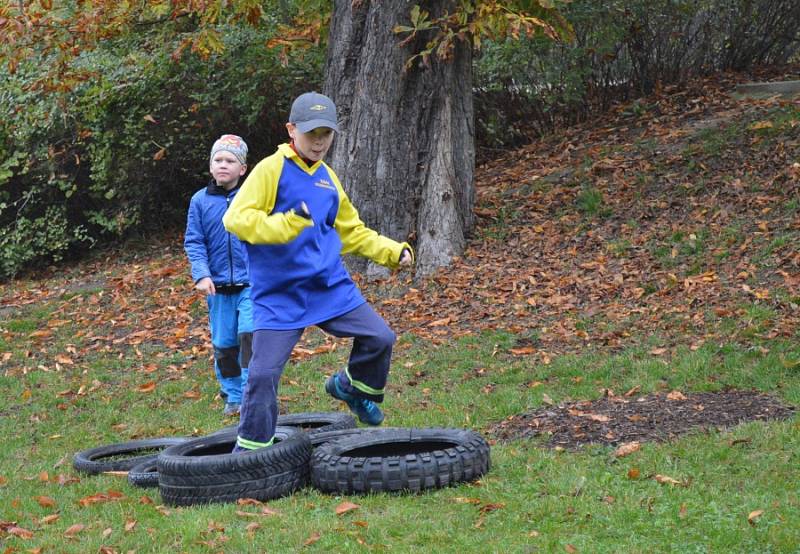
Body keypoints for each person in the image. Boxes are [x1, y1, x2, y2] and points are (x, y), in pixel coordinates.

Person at [223, 92, 413, 452]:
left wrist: (392, 251)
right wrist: (285, 226)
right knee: (262, 376)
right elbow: (235, 219)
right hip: (279, 295)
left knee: (380, 337)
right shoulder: (271, 169)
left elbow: (351, 232)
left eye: (326, 133)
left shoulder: (328, 178)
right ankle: (249, 453)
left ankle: (350, 388)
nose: (320, 141)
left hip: (329, 287)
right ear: (291, 130)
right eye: (312, 133)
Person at [184, 134, 254, 417]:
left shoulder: (252, 197)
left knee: (250, 335)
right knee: (225, 345)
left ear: (242, 169)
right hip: (218, 288)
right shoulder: (200, 201)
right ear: (211, 165)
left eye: (230, 160)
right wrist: (201, 274)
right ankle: (234, 396)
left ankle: (254, 392)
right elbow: (194, 241)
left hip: (252, 284)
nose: (223, 165)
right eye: (218, 159)